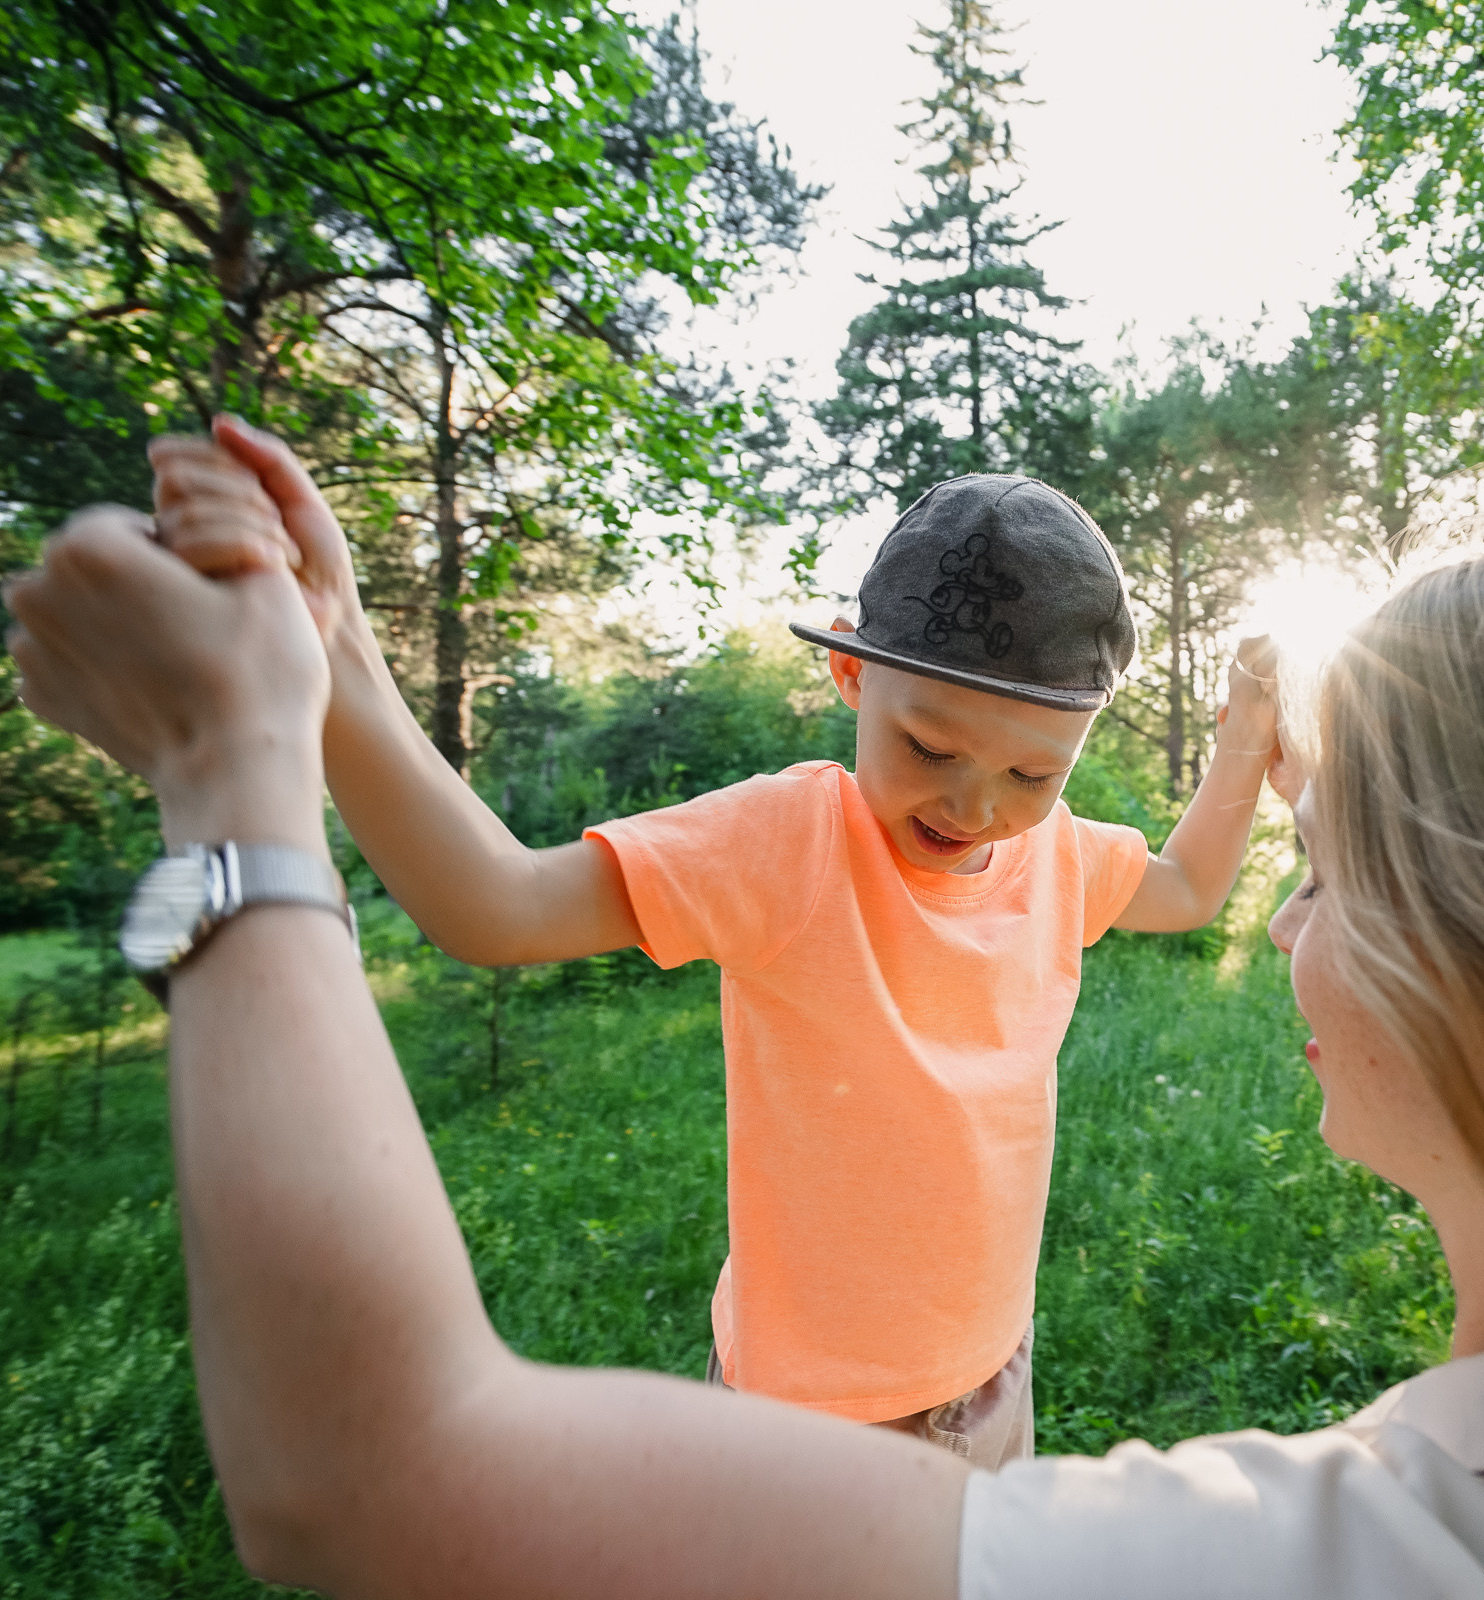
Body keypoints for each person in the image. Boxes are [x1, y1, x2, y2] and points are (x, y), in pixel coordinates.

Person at [4, 468, 1484, 1599]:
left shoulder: (1359, 1550)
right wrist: (358, 692)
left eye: (1342, 857)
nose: (1283, 898)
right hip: (812, 1403)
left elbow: (375, 1472)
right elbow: (501, 898)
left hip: (974, 1413)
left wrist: (234, 778)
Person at [141, 420, 1287, 1467]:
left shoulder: (1057, 859)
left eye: (1036, 773)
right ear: (850, 667)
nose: (977, 804)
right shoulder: (788, 842)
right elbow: (493, 902)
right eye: (931, 746)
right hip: (807, 1429)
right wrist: (335, 644)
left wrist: (1241, 743)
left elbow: (1186, 886)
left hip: (992, 1382)